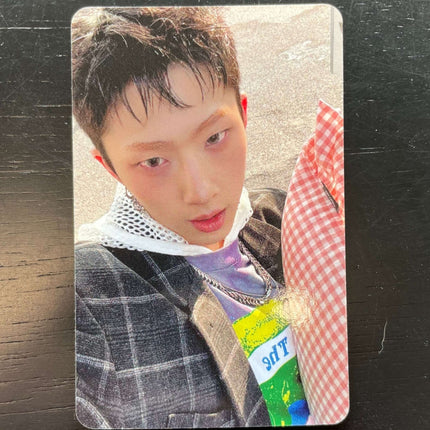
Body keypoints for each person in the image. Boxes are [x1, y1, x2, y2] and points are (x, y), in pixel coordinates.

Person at [72, 7, 311, 428]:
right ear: (110, 167)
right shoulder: (92, 299)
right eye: (154, 160)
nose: (200, 191)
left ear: (243, 115)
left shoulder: (283, 215)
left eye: (215, 137)